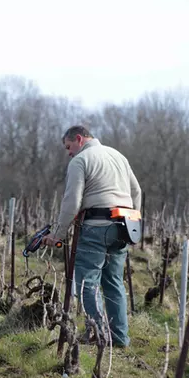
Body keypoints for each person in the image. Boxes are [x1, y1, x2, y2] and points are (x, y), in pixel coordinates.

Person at [44, 126, 141, 348]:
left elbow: (72, 202)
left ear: (79, 139)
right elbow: (136, 192)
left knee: (87, 282)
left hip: (96, 226)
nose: (69, 152)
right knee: (114, 282)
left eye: (69, 147)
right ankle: (119, 338)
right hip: (123, 226)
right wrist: (134, 223)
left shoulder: (80, 160)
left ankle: (98, 335)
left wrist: (58, 234)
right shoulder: (119, 156)